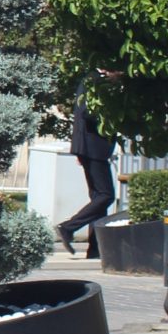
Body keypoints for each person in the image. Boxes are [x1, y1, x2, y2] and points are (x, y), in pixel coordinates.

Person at [56, 94, 116, 256]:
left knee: (99, 200)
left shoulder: (94, 80)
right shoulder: (94, 81)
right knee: (106, 195)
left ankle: (96, 248)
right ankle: (68, 227)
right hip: (93, 148)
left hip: (92, 148)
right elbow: (87, 112)